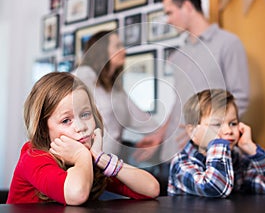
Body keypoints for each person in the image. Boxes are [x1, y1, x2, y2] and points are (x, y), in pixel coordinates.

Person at [134, 0, 250, 164]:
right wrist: (160, 134)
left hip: (208, 154)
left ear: (187, 6)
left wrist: (210, 134)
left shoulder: (228, 44)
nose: (168, 20)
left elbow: (240, 98)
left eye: (170, 12)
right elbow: (178, 101)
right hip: (172, 153)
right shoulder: (179, 54)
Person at [6, 72, 160, 205]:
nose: (81, 127)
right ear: (44, 130)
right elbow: (77, 194)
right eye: (66, 120)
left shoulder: (91, 158)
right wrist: (81, 156)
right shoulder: (33, 157)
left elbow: (151, 189)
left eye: (85, 114)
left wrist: (102, 159)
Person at [168, 89, 265, 197]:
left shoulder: (237, 160)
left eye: (233, 123)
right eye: (217, 124)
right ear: (192, 131)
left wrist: (251, 148)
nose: (228, 131)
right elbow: (215, 188)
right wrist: (218, 144)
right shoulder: (181, 163)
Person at [73, 30, 159, 156]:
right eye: (118, 46)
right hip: (87, 161)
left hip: (110, 164)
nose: (124, 51)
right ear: (100, 50)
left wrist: (160, 135)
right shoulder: (84, 76)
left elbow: (145, 121)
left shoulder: (117, 91)